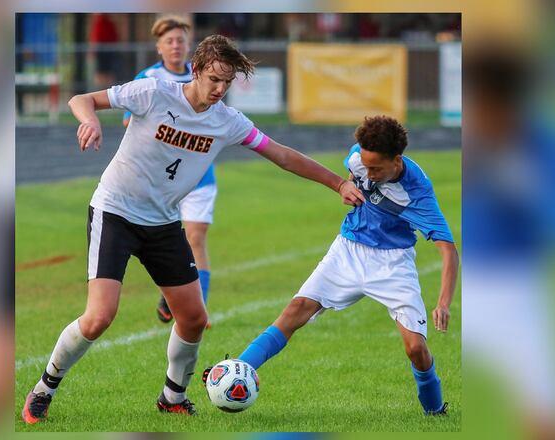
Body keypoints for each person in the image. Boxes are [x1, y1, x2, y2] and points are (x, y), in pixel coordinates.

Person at [21, 34, 365, 423]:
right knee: (100, 317)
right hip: (115, 212)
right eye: (214, 79)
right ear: (196, 70)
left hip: (164, 222)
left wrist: (337, 183)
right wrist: (90, 121)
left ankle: (172, 396)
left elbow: (282, 155)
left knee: (194, 319)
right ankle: (44, 388)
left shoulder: (227, 122)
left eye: (228, 82)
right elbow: (81, 99)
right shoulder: (153, 92)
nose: (220, 89)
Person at [204, 115, 459, 416]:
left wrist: (443, 303)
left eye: (376, 168)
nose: (369, 172)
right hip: (348, 251)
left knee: (416, 349)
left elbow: (449, 251)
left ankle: (434, 409)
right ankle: (238, 370)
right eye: (366, 165)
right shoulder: (358, 158)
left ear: (397, 161)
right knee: (296, 309)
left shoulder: (418, 195)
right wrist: (344, 186)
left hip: (393, 264)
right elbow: (351, 176)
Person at [123, 16, 216, 327]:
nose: (176, 46)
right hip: (159, 177)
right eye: (170, 41)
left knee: (196, 236)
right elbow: (129, 120)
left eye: (180, 40)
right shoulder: (148, 78)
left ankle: (198, 310)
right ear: (159, 47)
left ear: (189, 45)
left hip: (199, 173)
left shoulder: (203, 76)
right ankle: (174, 296)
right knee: (161, 239)